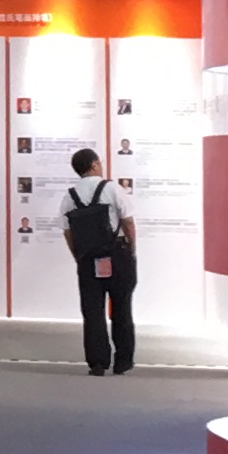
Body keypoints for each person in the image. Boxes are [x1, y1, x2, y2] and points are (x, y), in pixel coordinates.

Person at [66, 148, 138, 376]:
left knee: (92, 311)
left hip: (88, 258)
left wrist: (78, 256)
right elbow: (128, 222)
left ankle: (98, 362)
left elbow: (67, 232)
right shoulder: (112, 188)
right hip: (117, 253)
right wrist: (131, 250)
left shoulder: (70, 195)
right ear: (94, 165)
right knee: (122, 307)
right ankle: (123, 361)